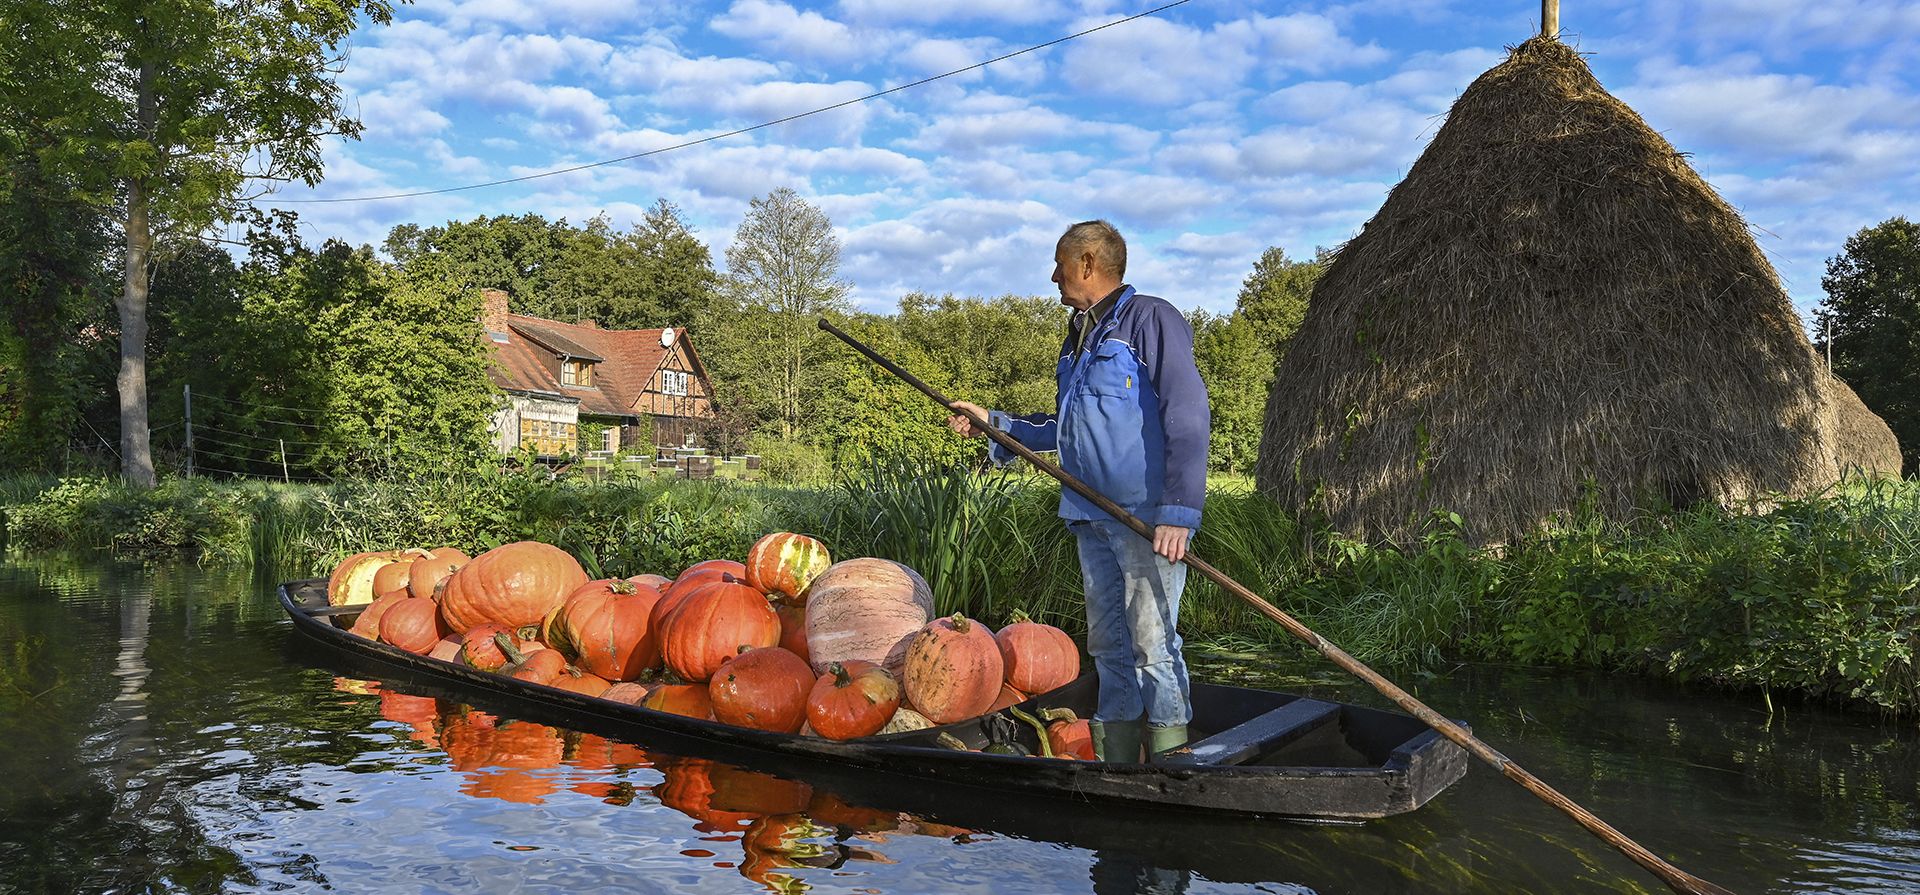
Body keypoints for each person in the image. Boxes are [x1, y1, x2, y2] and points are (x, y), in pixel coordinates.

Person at [947, 220, 1209, 762]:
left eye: (1060, 264)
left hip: (1145, 520)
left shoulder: (1149, 320)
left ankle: (1173, 762)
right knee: (1108, 645)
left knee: (1152, 645)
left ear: (1088, 263)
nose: (1053, 276)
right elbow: (1064, 428)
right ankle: (1116, 759)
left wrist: (1179, 512)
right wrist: (996, 424)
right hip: (1089, 515)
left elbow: (1187, 413)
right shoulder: (1079, 334)